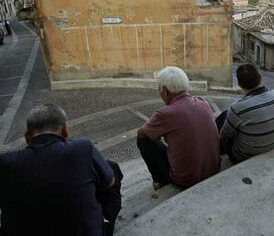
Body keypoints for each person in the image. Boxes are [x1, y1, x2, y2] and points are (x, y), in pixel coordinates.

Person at [0, 104, 121, 236]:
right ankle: (102, 222)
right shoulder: (82, 147)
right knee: (111, 168)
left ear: (27, 137)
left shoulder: (5, 163)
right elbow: (109, 182)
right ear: (65, 130)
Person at [137, 66, 220, 190]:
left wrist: (157, 130)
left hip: (187, 180)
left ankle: (159, 180)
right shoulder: (203, 102)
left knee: (142, 141)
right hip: (213, 170)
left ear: (165, 91)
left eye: (159, 90)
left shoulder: (165, 113)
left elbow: (142, 133)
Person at [216, 63, 274, 164]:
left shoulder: (238, 108)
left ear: (240, 85)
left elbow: (223, 137)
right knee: (232, 117)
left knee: (224, 117)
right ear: (260, 77)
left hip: (243, 156)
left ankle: (214, 153)